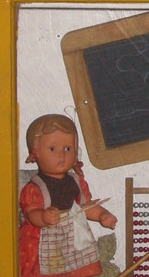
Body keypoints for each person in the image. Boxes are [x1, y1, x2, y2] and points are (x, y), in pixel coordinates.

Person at [19, 114, 117, 277]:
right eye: (52, 149)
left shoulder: (76, 181)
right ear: (35, 153)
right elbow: (31, 213)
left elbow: (85, 206)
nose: (62, 155)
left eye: (68, 149)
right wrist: (43, 216)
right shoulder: (34, 188)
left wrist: (102, 215)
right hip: (44, 243)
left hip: (73, 242)